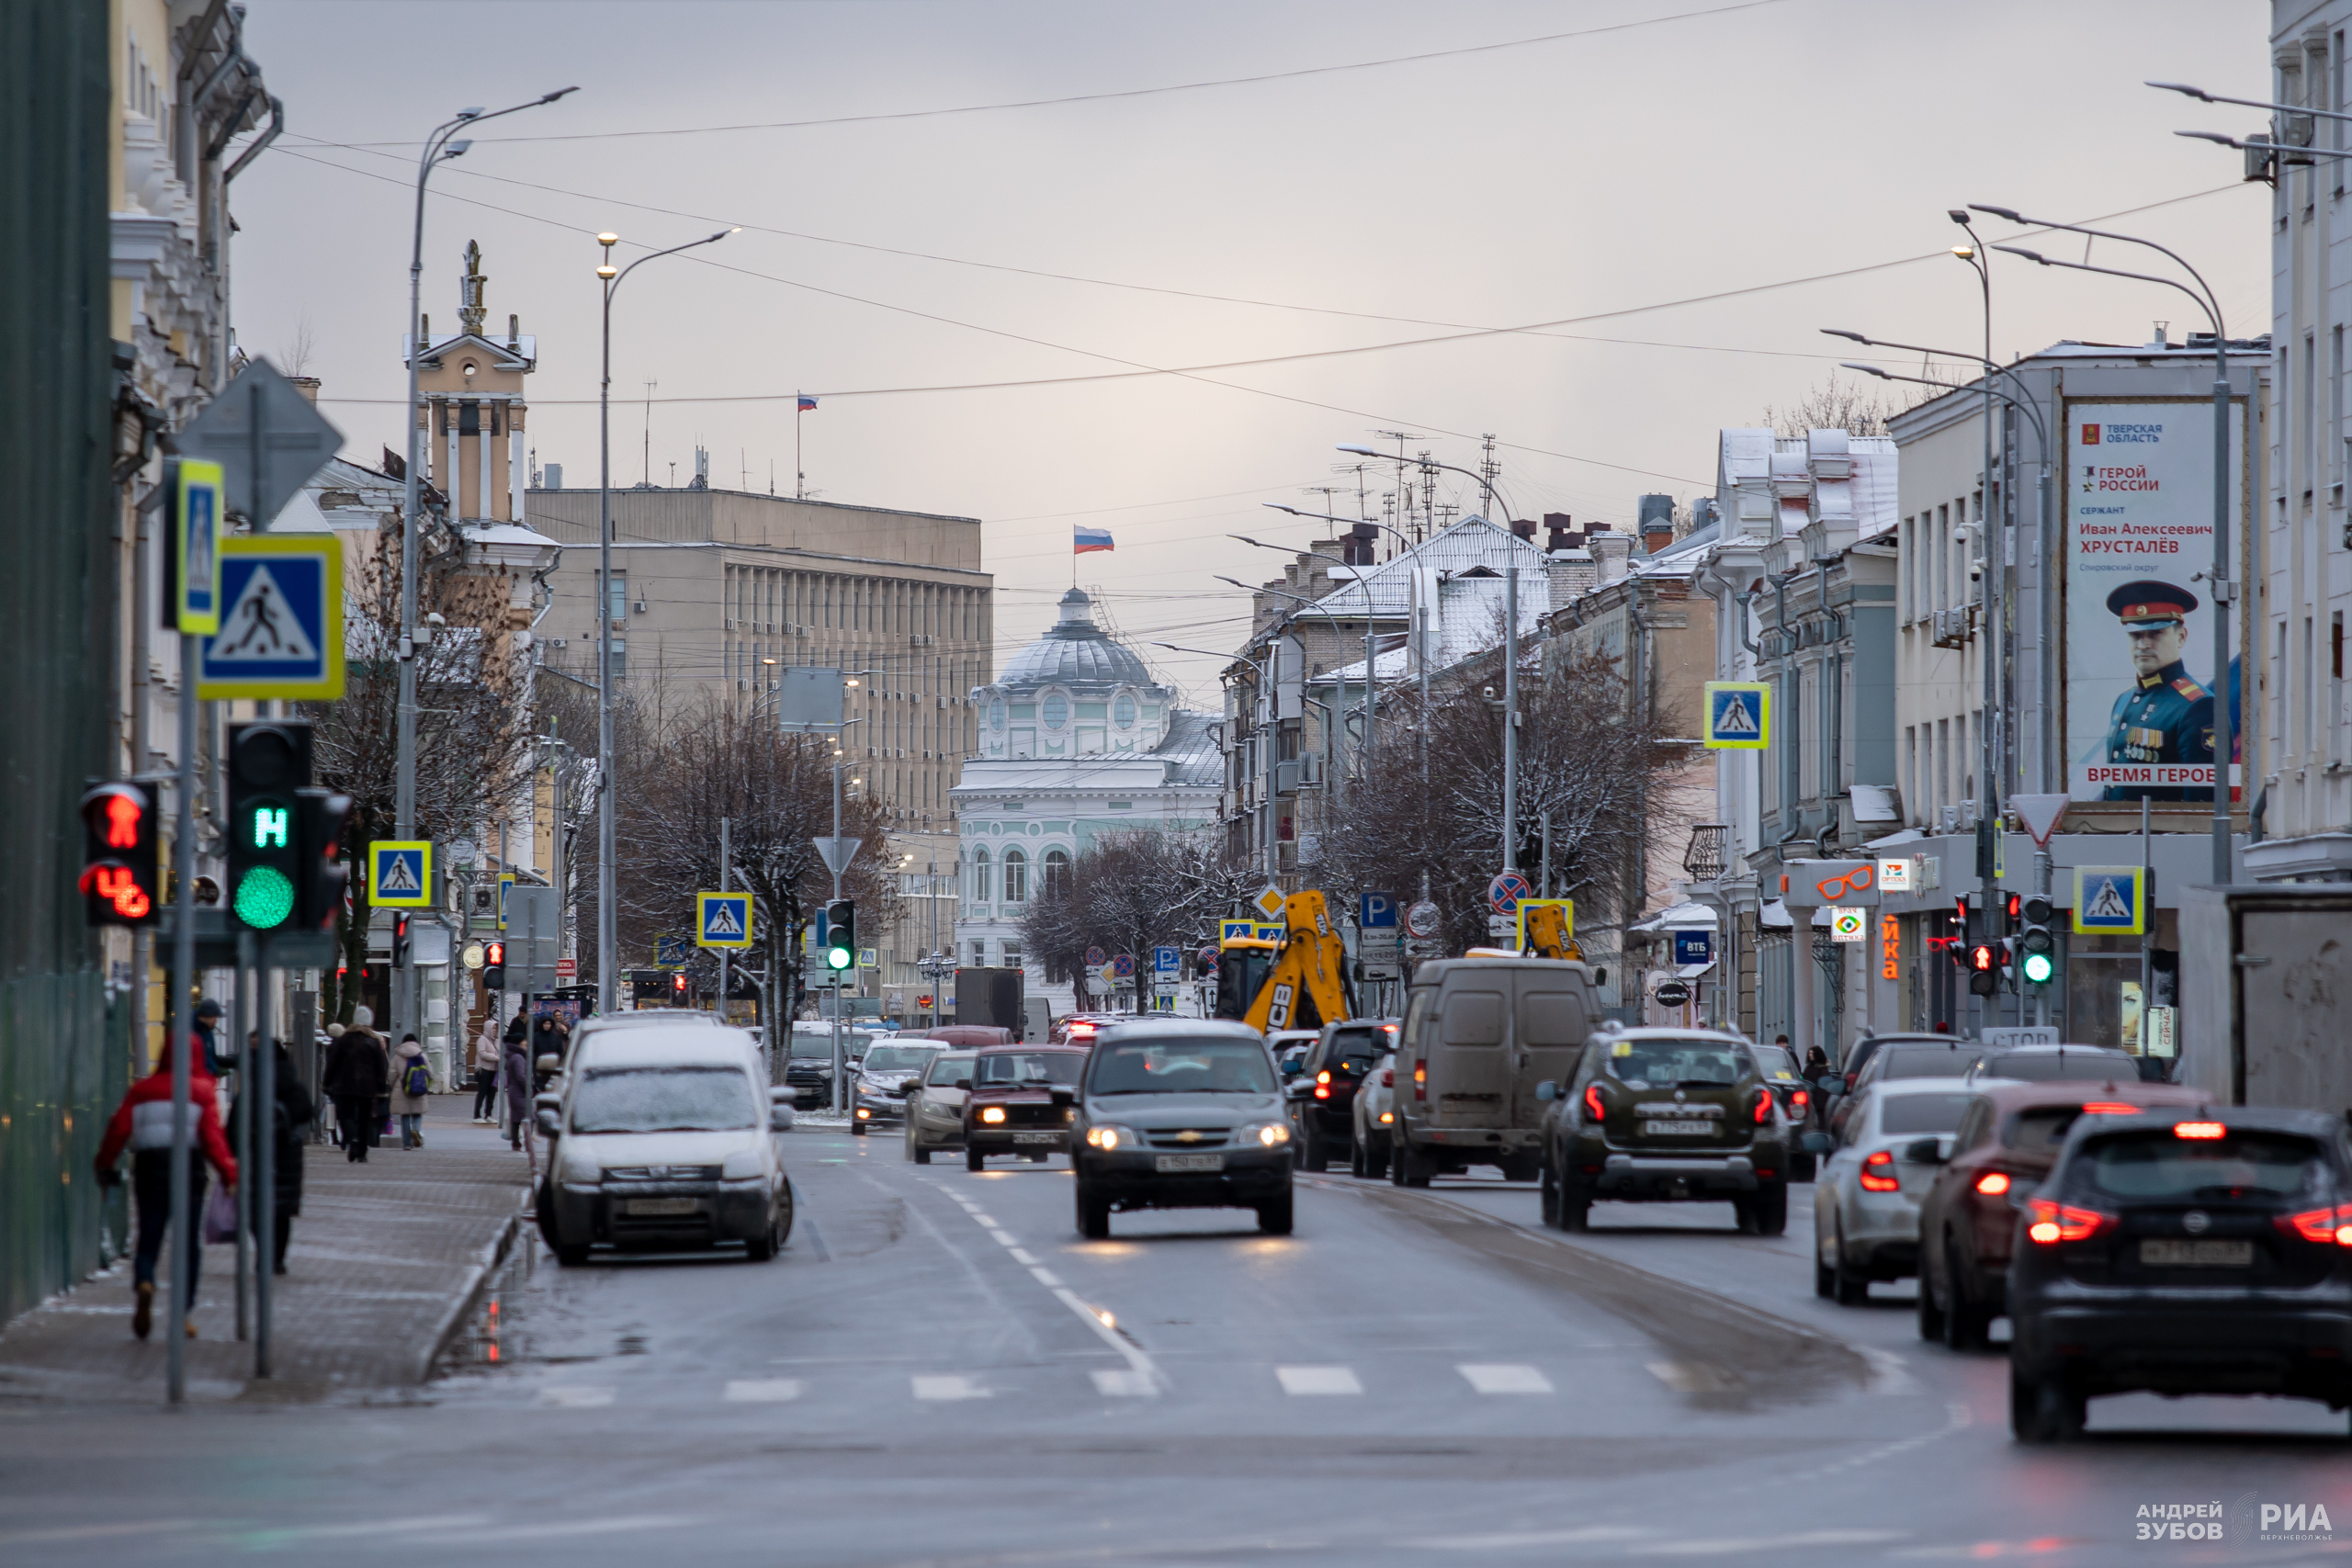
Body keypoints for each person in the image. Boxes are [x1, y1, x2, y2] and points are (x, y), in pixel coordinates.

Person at [94, 1035, 237, 1339]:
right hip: (189, 1171)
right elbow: (213, 1139)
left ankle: (145, 1280)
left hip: (150, 1169)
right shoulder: (201, 1092)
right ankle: (183, 1313)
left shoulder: (141, 1091)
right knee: (188, 1244)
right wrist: (229, 1173)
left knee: (149, 1234)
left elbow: (118, 1128)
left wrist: (104, 1163)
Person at [2098, 580, 2215, 802]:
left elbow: (2201, 807)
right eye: (2135, 635)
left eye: (2155, 634)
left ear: (2181, 637)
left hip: (2162, 835)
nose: (2143, 644)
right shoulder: (2123, 701)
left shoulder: (2197, 706)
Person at [232, 1038, 314, 1273]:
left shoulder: (252, 1086)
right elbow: (306, 1111)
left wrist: (235, 1150)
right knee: (282, 1210)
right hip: (287, 1155)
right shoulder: (291, 1082)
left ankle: (263, 1253)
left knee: (256, 1206)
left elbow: (234, 1124)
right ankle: (277, 1258)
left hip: (255, 1154)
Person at [322, 1008, 390, 1162]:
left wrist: (327, 1084)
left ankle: (352, 1138)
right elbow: (380, 1069)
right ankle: (362, 1152)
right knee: (365, 1119)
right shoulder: (373, 1042)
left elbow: (333, 1064)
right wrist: (382, 1091)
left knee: (346, 1115)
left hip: (344, 1085)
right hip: (367, 1087)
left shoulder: (344, 1040)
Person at [390, 1033, 430, 1149]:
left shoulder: (397, 1056)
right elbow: (430, 1073)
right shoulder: (421, 1054)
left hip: (402, 1088)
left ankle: (407, 1143)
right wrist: (427, 1085)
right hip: (419, 1087)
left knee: (405, 1115)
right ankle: (416, 1130)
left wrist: (394, 1086)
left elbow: (392, 1073)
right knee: (417, 1112)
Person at [500, 1022, 534, 1153]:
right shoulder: (518, 1057)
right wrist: (528, 1088)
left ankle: (516, 1142)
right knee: (528, 1117)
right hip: (520, 1092)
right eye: (524, 1041)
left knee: (516, 1118)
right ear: (519, 1043)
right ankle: (525, 1141)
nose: (526, 1043)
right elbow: (521, 1076)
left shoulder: (513, 1056)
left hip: (515, 1091)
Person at [470, 1015, 502, 1122]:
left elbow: (500, 1051)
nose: (494, 1030)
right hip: (484, 1069)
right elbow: (482, 1053)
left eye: (495, 1028)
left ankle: (488, 1114)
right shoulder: (482, 1040)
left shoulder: (496, 1041)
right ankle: (477, 1115)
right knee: (482, 1092)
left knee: (492, 1092)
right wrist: (496, 1058)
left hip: (494, 1070)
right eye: (493, 1028)